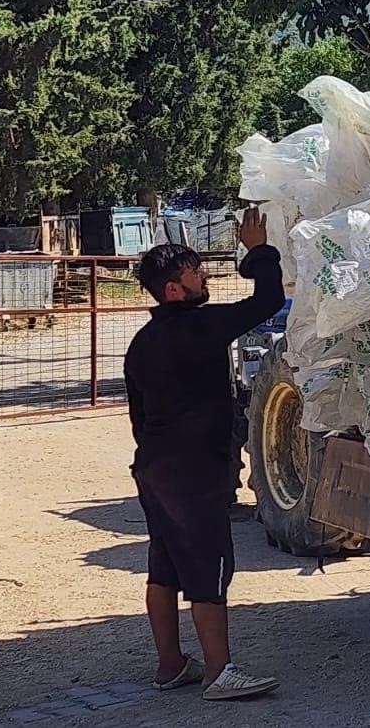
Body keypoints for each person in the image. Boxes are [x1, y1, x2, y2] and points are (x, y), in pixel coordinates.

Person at [124, 207, 285, 701]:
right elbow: (270, 300)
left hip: (155, 466)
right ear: (174, 289)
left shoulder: (141, 343)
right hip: (194, 471)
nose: (204, 277)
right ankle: (219, 673)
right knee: (210, 568)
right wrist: (256, 250)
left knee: (166, 564)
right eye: (195, 273)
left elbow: (137, 414)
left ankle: (171, 665)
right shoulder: (202, 328)